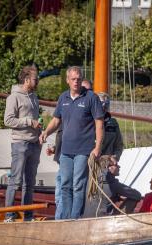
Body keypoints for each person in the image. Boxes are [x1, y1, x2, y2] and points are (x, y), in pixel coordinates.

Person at [40, 66, 104, 219]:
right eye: (73, 79)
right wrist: (46, 132)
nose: (76, 82)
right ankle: (66, 219)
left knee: (78, 185)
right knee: (65, 185)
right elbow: (56, 120)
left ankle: (75, 219)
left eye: (79, 79)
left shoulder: (91, 97)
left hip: (83, 150)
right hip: (65, 150)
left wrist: (98, 147)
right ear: (67, 80)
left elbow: (99, 123)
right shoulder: (63, 98)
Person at [3, 65, 42, 222]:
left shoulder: (34, 97)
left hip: (34, 144)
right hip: (20, 144)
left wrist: (40, 133)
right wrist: (28, 122)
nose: (38, 81)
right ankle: (8, 216)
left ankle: (28, 216)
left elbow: (35, 121)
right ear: (26, 80)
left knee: (30, 183)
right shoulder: (14, 97)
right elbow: (8, 120)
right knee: (16, 181)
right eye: (35, 78)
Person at [97, 93, 124, 159]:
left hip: (108, 161)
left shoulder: (113, 123)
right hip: (92, 162)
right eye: (101, 103)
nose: (104, 105)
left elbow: (119, 145)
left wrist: (114, 158)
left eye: (107, 103)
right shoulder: (88, 122)